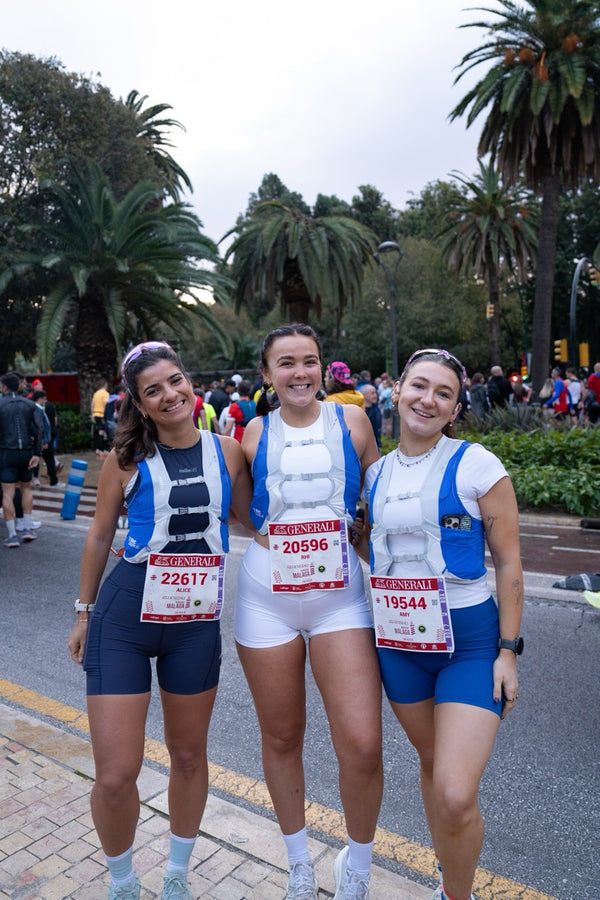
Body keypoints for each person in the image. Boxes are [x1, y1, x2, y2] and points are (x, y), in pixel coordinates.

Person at [67, 341, 253, 900]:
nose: (170, 395)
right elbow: (99, 535)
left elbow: (251, 518)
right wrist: (83, 613)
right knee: (115, 774)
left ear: (189, 381)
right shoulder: (124, 460)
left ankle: (176, 874)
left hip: (194, 624)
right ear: (139, 403)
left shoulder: (229, 451)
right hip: (124, 619)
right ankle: (122, 882)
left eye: (175, 380)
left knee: (189, 756)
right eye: (154, 390)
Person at [359, 348, 523, 900]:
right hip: (400, 644)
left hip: (470, 644)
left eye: (444, 393)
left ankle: (458, 893)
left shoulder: (477, 465)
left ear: (455, 409)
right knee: (432, 764)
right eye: (419, 386)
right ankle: (448, 877)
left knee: (455, 791)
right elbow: (378, 552)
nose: (428, 400)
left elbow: (509, 563)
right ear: (398, 390)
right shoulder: (376, 474)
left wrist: (508, 651)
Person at [234, 324, 383, 900]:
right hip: (266, 601)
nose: (300, 372)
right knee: (281, 737)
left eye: (310, 361)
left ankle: (358, 868)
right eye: (287, 363)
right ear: (267, 374)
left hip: (340, 601)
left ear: (323, 367)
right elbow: (242, 509)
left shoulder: (354, 422)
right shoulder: (252, 432)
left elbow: (378, 501)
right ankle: (298, 864)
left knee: (362, 744)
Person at [0, 372, 44, 547]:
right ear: (17, 385)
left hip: (6, 453)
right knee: (26, 488)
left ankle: (12, 535)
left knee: (8, 492)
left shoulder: (1, 404)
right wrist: (37, 453)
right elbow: (40, 429)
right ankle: (27, 529)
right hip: (26, 452)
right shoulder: (29, 404)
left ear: (4, 386)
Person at [91, 377, 110, 456]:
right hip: (102, 415)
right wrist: (106, 416)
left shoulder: (96, 393)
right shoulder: (106, 394)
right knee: (102, 432)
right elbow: (105, 405)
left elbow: (92, 404)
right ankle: (101, 450)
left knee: (100, 432)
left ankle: (99, 449)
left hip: (96, 414)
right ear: (105, 384)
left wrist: (92, 415)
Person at [359, 383, 382, 449]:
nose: (375, 395)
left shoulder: (376, 408)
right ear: (364, 395)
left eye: (375, 393)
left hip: (376, 444)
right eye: (372, 393)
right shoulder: (360, 411)